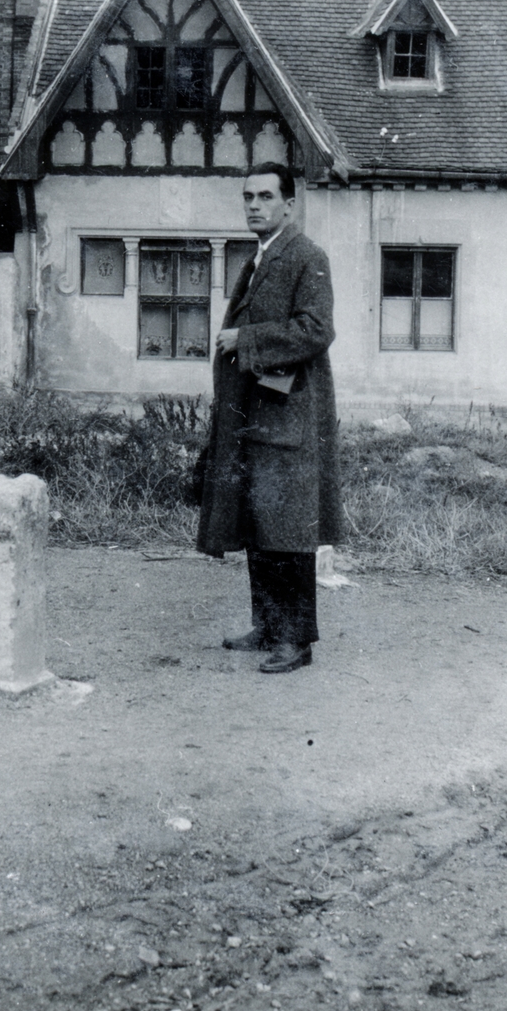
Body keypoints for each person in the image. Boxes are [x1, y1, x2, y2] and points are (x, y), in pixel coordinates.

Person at [196, 163, 342, 673]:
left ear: (289, 204)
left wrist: (246, 339)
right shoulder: (259, 256)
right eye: (248, 197)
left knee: (288, 531)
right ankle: (268, 627)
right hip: (256, 414)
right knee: (259, 524)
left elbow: (317, 329)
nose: (254, 206)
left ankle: (295, 642)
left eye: (265, 197)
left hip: (289, 416)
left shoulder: (306, 256)